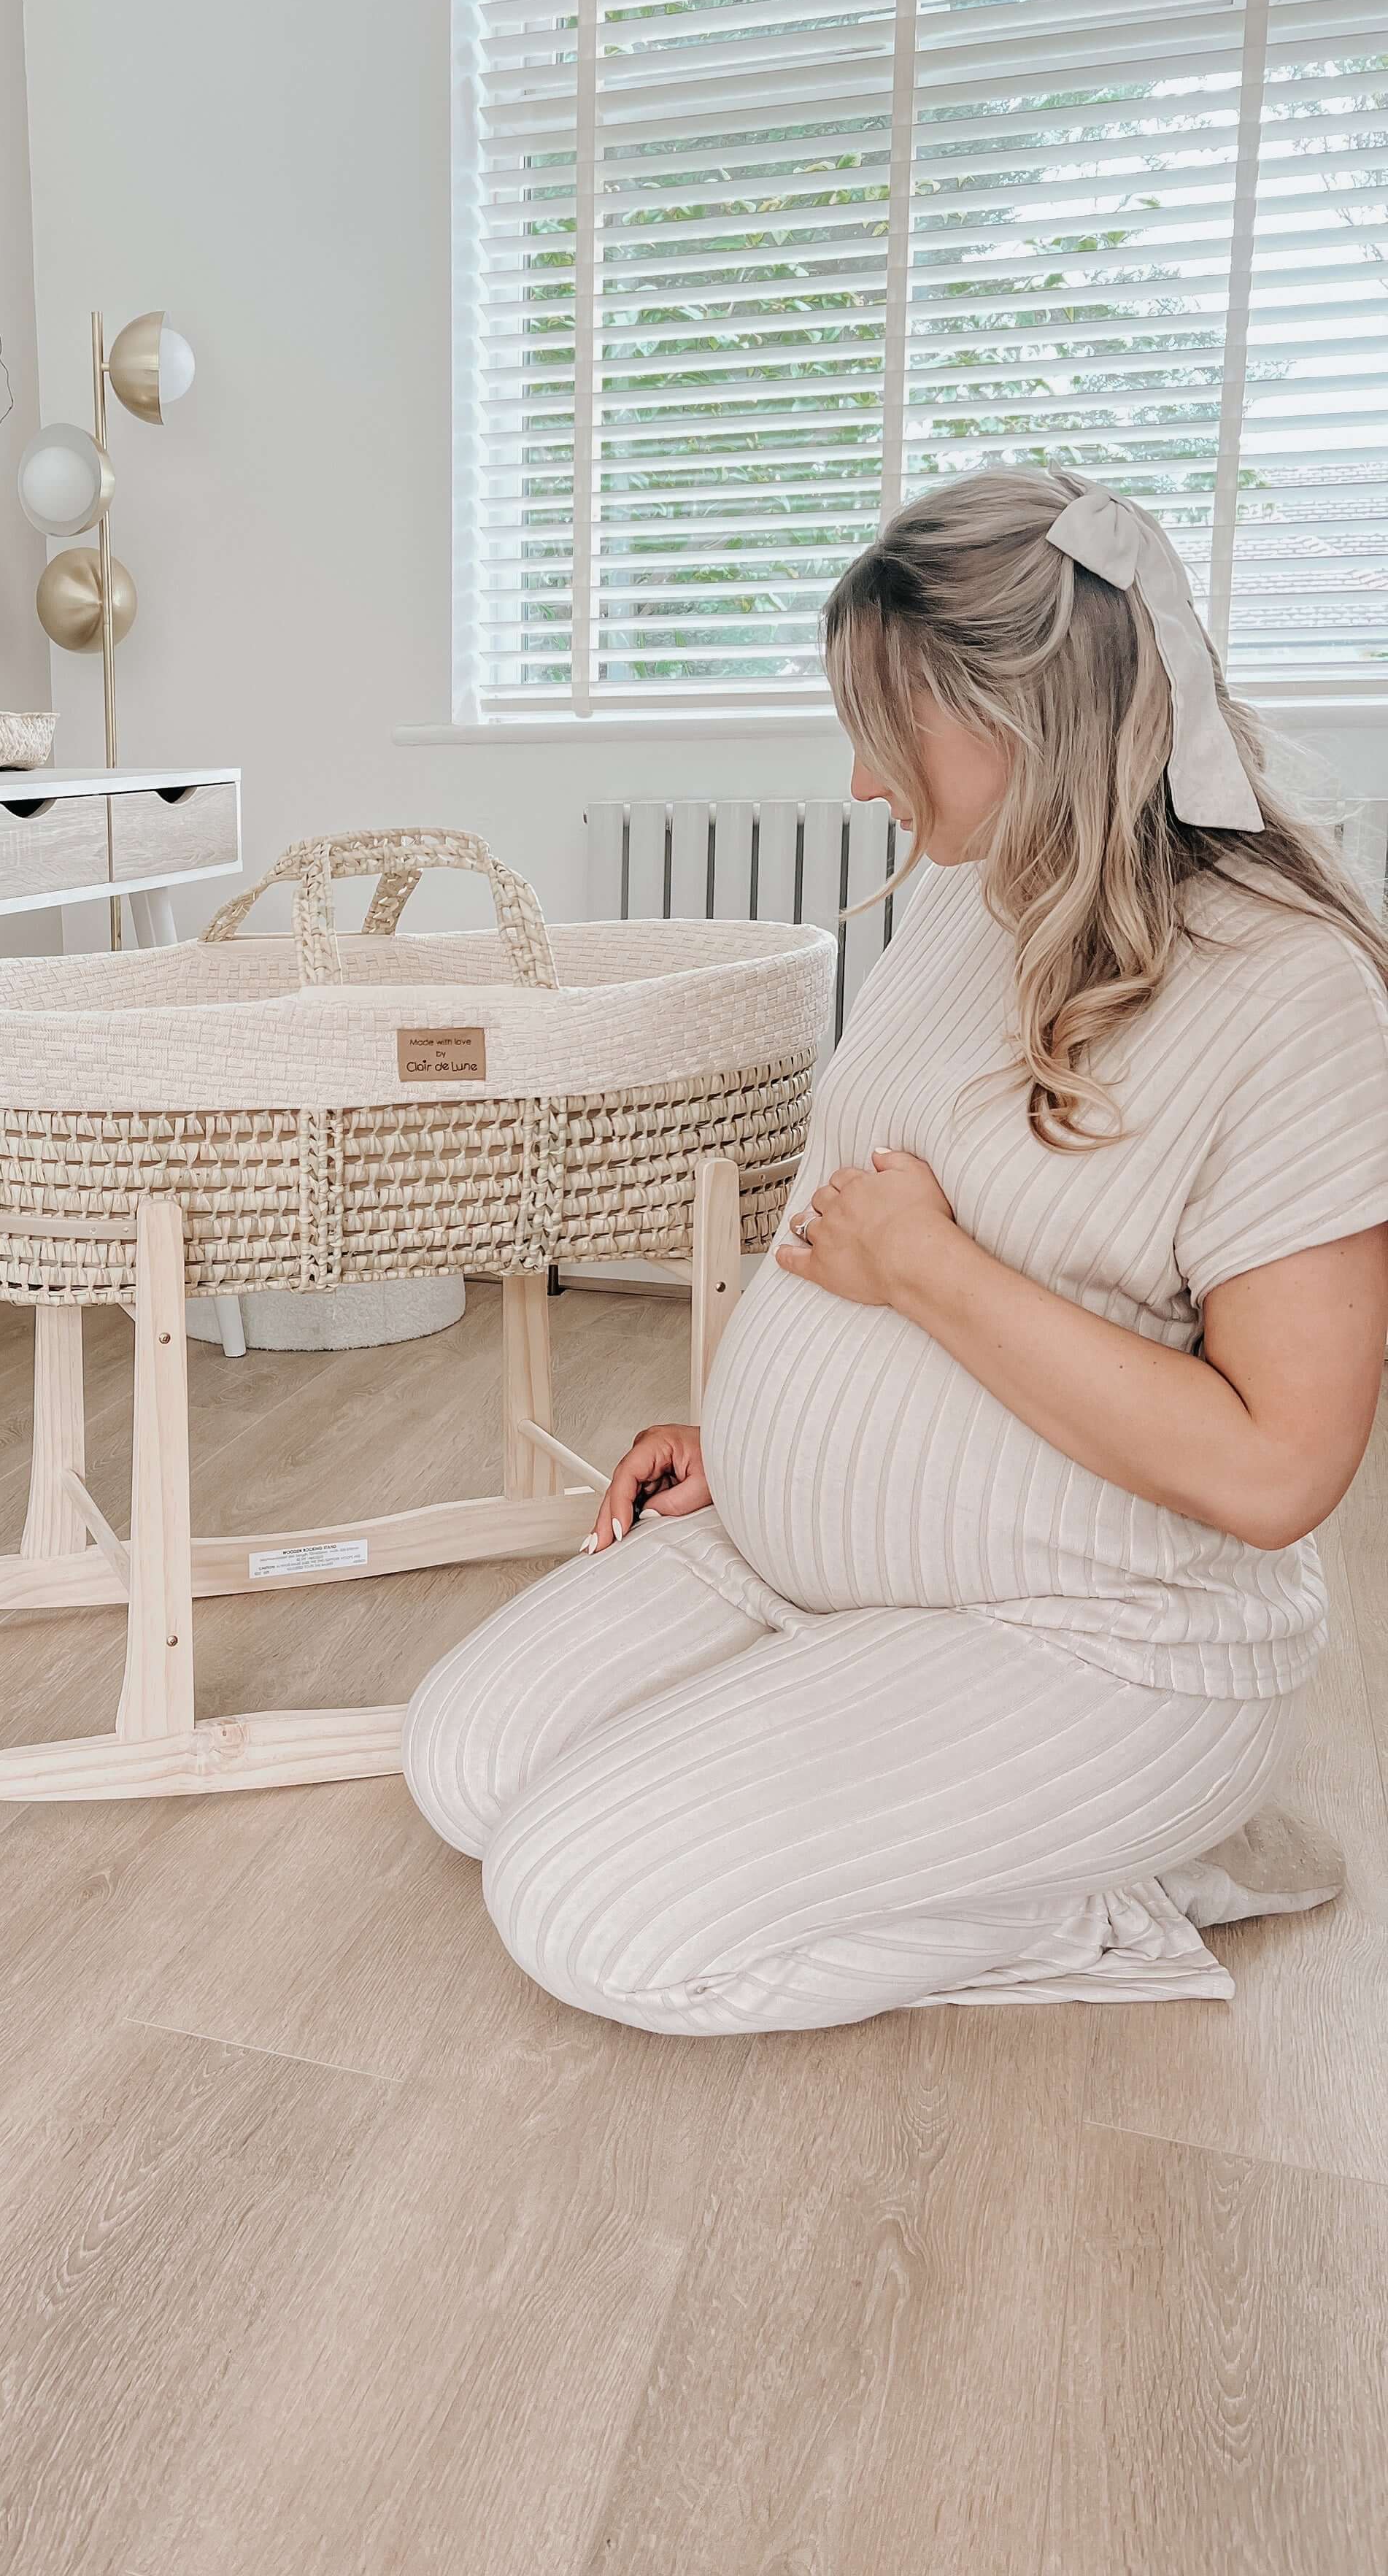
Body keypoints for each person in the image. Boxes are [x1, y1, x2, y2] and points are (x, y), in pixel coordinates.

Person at [401, 467, 1388, 2034]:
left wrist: (931, 1272)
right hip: (804, 1560)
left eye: (885, 728)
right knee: (462, 1766)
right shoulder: (968, 893)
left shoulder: (1294, 992)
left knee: (578, 1912)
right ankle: (852, 1748)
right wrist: (751, 1439)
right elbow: (843, 1211)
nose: (864, 783)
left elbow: (1279, 1471)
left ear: (1021, 715)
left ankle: (1116, 1885)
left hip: (1105, 1646)